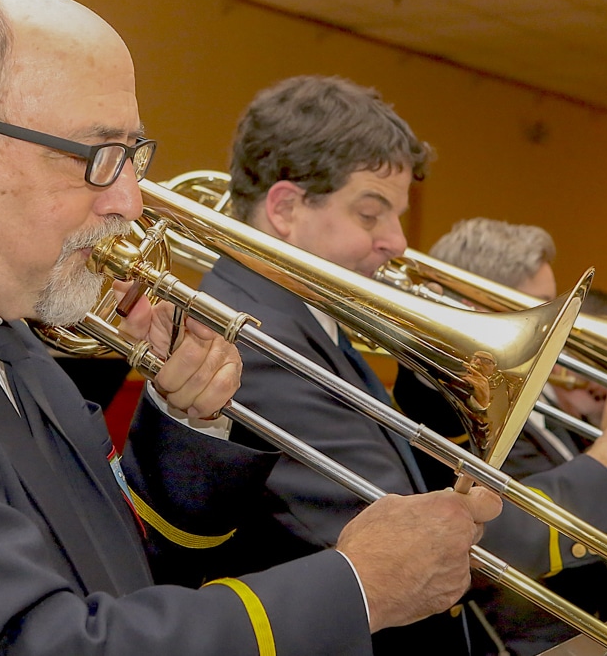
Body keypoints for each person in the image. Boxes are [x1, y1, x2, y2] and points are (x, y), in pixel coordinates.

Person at [0, 0, 502, 654]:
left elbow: (102, 563)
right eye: (97, 156)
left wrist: (185, 424)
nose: (130, 202)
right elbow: (35, 642)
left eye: (133, 156)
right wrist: (357, 586)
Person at [194, 75, 502, 653]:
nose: (399, 243)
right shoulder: (253, 340)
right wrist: (602, 476)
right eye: (371, 213)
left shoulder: (307, 321)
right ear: (285, 209)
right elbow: (401, 532)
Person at [400, 217, 607, 655]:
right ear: (474, 308)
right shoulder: (446, 403)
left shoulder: (545, 405)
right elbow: (511, 541)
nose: (563, 326)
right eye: (539, 307)